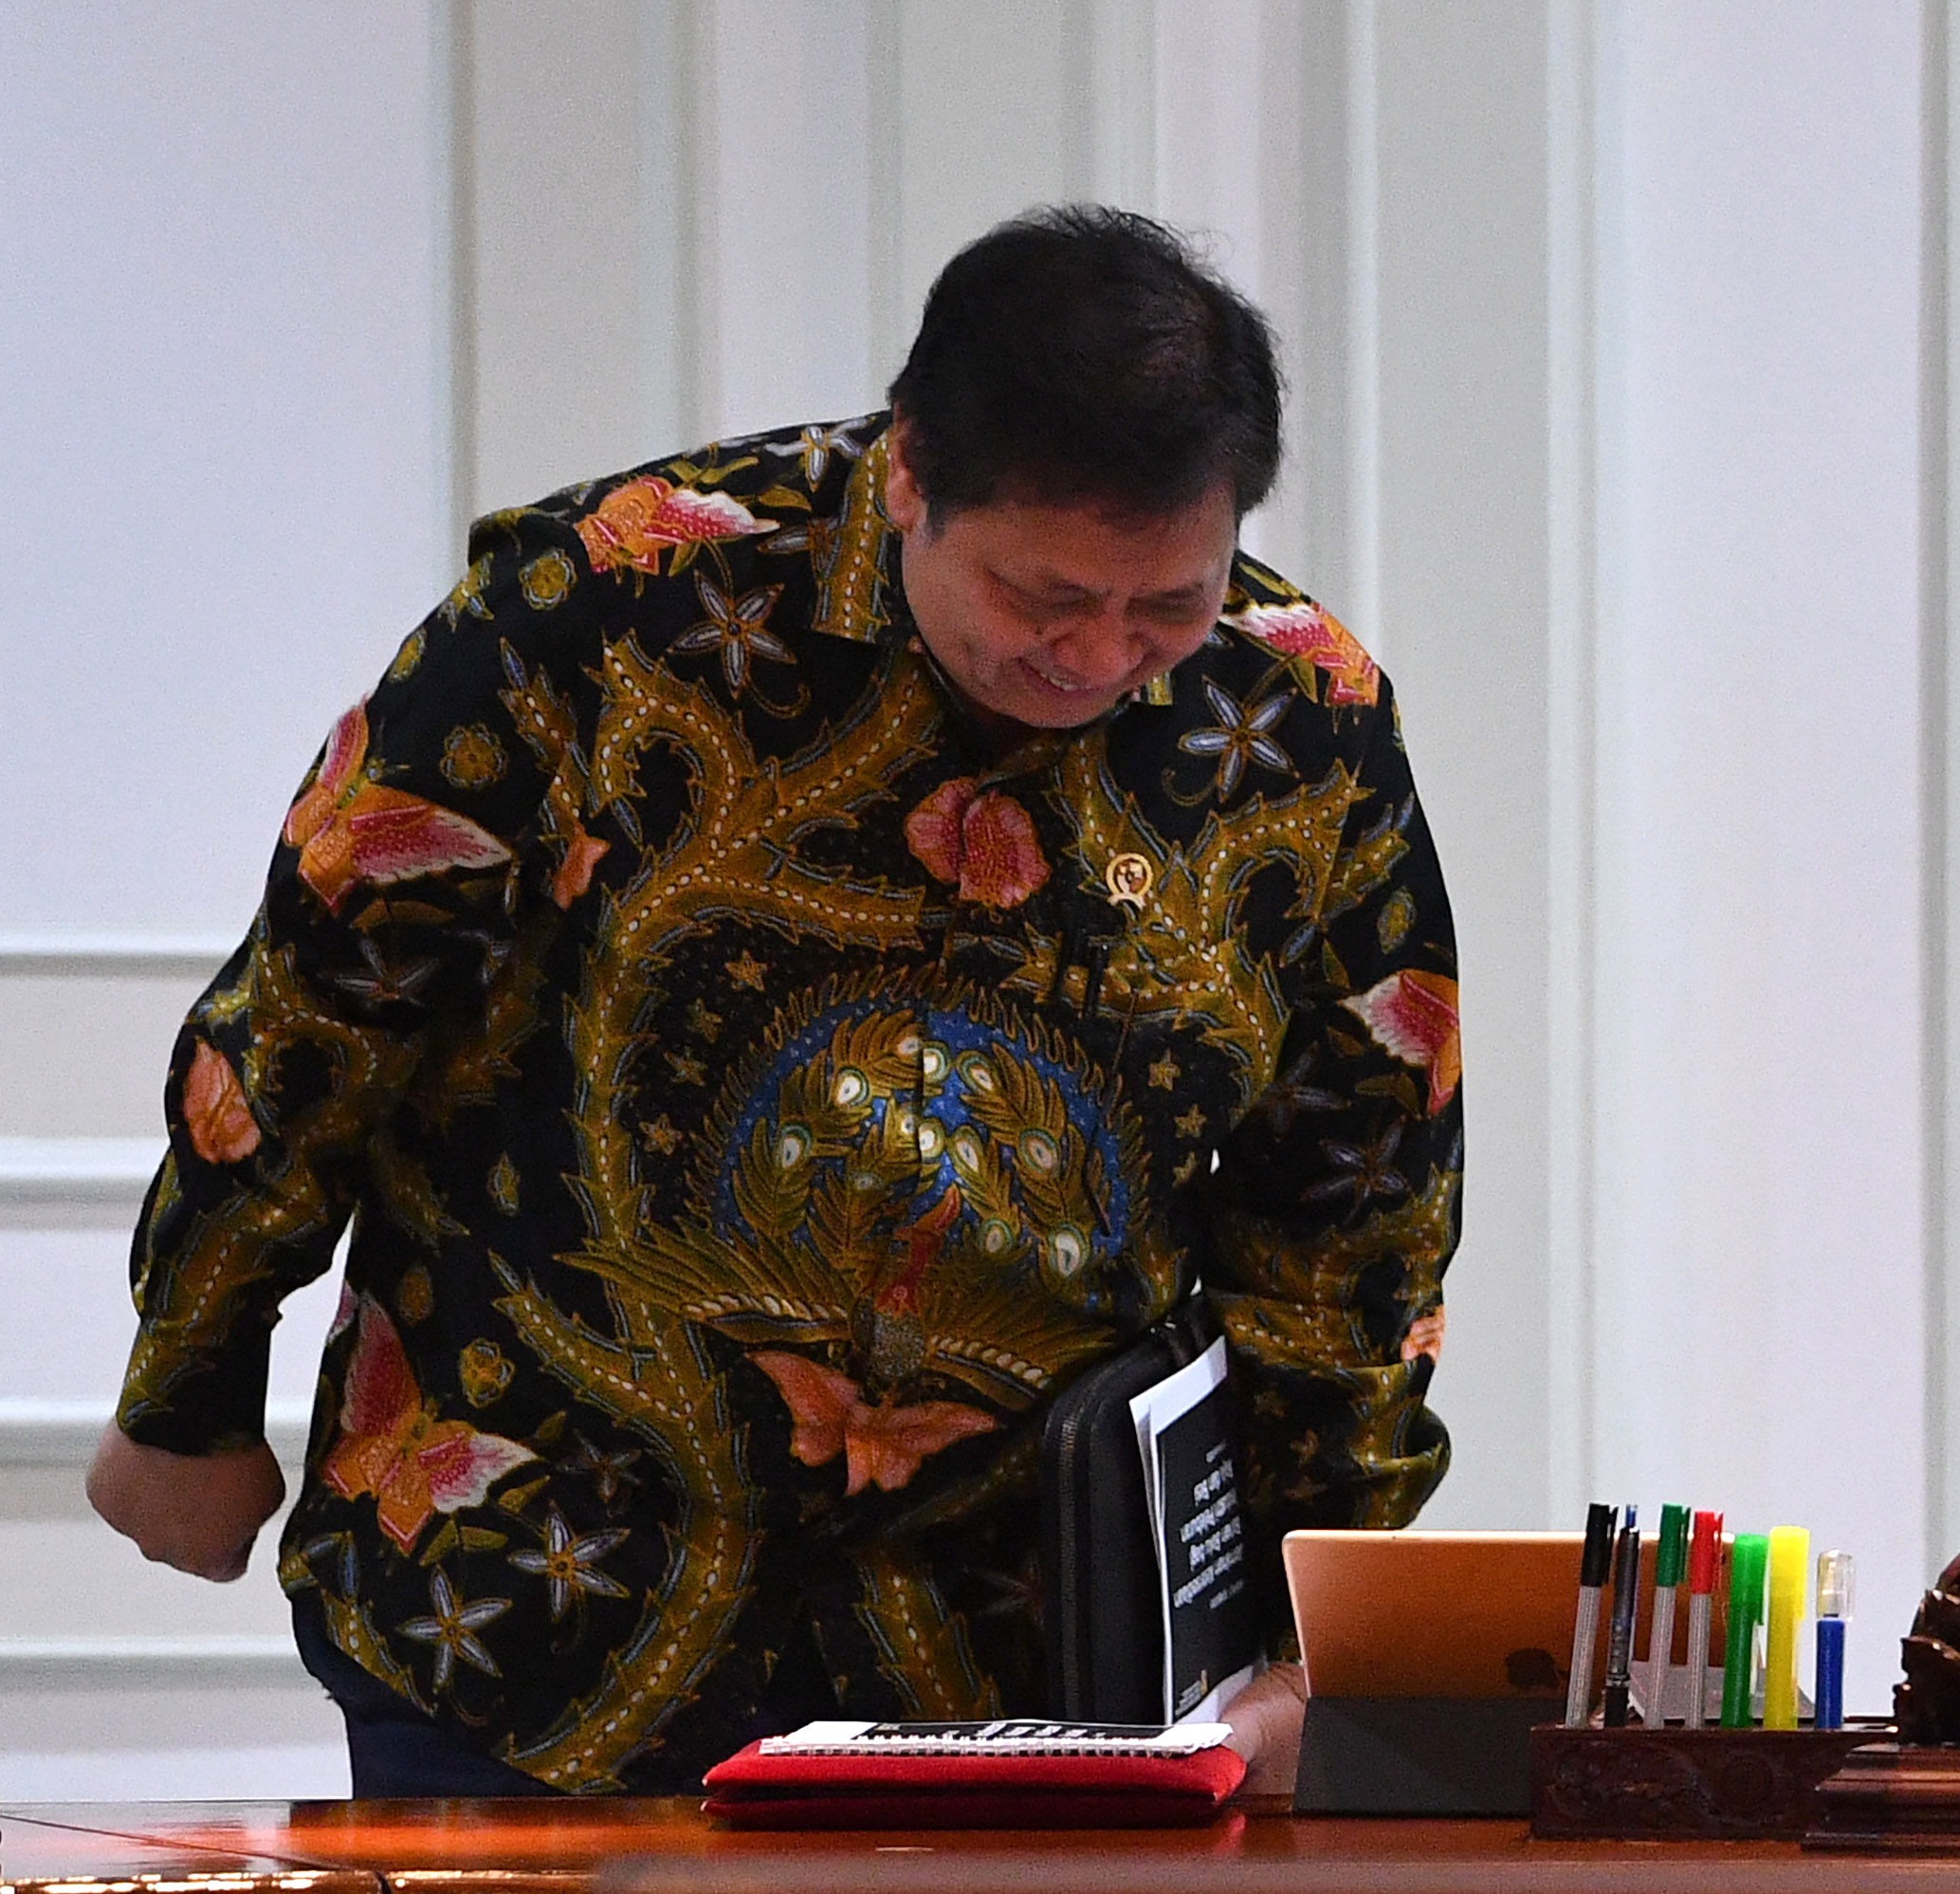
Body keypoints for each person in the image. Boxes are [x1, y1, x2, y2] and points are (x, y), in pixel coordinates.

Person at [86, 208, 1458, 1797]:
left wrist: (1313, 1616)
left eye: (1168, 606)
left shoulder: (1301, 724)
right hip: (544, 1588)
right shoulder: (603, 612)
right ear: (909, 473)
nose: (1099, 656)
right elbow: (321, 1009)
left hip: (1029, 1665)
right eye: (1043, 594)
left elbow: (1358, 1199)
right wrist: (190, 1386)